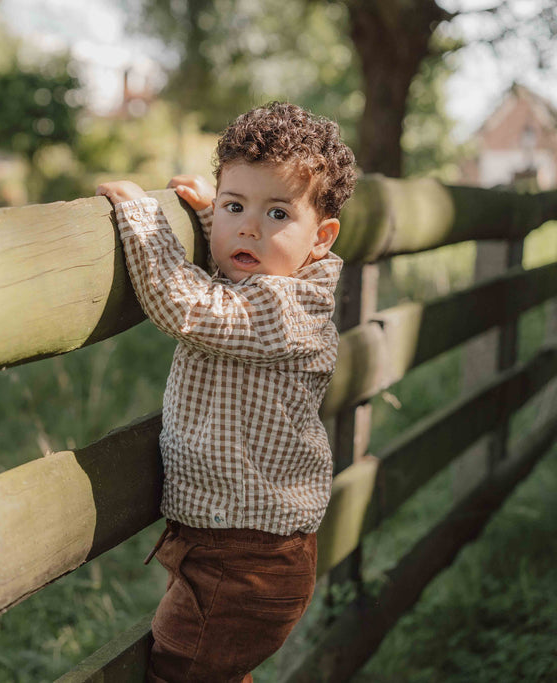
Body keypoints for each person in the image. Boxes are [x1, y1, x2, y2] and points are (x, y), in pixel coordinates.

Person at [95, 101, 357, 682]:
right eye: (236, 206)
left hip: (247, 560)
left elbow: (193, 307)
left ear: (322, 238)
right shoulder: (266, 277)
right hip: (232, 546)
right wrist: (214, 211)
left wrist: (144, 219)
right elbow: (244, 256)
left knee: (180, 674)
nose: (249, 228)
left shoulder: (291, 310)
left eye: (278, 213)